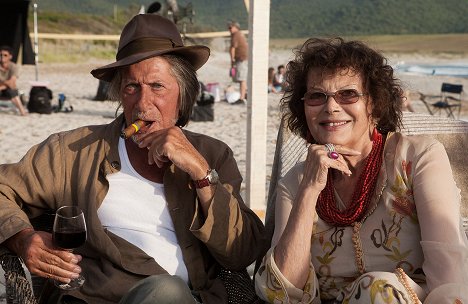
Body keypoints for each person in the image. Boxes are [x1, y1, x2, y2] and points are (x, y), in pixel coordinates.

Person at [0, 14, 265, 304]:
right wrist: (23, 238)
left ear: (183, 94)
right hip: (97, 297)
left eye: (157, 86)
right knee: (167, 293)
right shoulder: (73, 150)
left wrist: (200, 172)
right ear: (119, 95)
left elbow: (242, 253)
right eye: (131, 88)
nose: (142, 103)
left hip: (192, 298)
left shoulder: (213, 155)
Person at [255, 37, 468, 303]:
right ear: (304, 109)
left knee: (376, 288)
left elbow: (449, 273)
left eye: (348, 94)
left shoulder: (418, 158)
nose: (331, 107)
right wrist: (310, 191)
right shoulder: (297, 181)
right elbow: (284, 291)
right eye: (316, 96)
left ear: (374, 105)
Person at [0, 45, 27, 116]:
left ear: (10, 57)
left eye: (5, 55)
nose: (2, 57)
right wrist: (6, 83)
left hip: (7, 89)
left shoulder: (14, 67)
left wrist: (3, 84)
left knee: (12, 91)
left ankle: (22, 110)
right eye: (1, 55)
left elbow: (12, 83)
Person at [228, 20, 248, 105]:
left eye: (230, 27)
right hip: (243, 59)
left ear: (235, 27)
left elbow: (233, 48)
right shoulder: (240, 34)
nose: (229, 29)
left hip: (241, 59)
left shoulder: (236, 35)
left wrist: (232, 60)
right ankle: (243, 96)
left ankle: (242, 98)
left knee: (242, 79)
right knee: (241, 78)